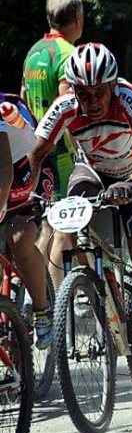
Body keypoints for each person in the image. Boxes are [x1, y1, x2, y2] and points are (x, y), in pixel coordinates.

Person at [28, 43, 132, 391]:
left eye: (99, 92)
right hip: (91, 171)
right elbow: (34, 154)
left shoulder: (128, 97)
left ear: (112, 85)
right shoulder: (65, 107)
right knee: (66, 225)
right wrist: (27, 194)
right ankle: (85, 286)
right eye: (84, 93)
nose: (92, 101)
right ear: (73, 90)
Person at [21, 0, 84, 283]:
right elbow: (65, 103)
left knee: (46, 225)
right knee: (64, 227)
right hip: (61, 155)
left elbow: (23, 96)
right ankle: (55, 306)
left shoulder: (34, 52)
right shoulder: (69, 54)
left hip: (36, 149)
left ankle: (38, 298)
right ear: (78, 18)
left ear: (49, 18)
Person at [0, 95, 54, 349]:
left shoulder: (3, 109)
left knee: (19, 240)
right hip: (5, 179)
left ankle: (42, 312)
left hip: (27, 171)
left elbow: (5, 172)